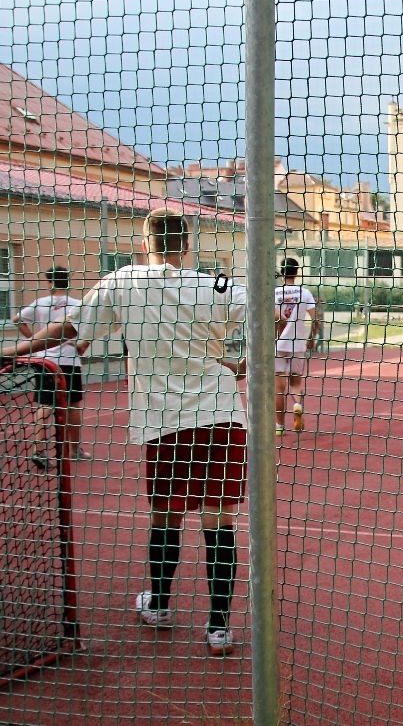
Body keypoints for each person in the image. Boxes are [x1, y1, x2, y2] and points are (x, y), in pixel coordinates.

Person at [0, 208, 248, 656]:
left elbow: (70, 329)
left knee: (166, 517)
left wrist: (13, 350)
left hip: (163, 421)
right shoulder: (216, 284)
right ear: (187, 245)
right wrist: (242, 362)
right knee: (219, 521)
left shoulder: (123, 280)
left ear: (144, 243)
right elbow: (269, 315)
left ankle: (158, 603)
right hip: (222, 414)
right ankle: (218, 629)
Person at [15, 266, 91, 463]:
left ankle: (39, 450)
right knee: (72, 405)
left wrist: (35, 342)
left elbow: (17, 319)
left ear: (49, 282)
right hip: (69, 361)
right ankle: (74, 450)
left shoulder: (40, 303)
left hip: (46, 362)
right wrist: (83, 345)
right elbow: (92, 325)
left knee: (45, 404)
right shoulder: (77, 304)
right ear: (67, 281)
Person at [274, 257, 319, 436]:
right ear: (297, 272)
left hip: (278, 343)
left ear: (282, 272)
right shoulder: (305, 293)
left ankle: (279, 427)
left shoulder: (274, 293)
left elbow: (274, 317)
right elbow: (315, 319)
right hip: (298, 343)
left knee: (278, 386)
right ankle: (297, 405)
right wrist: (311, 338)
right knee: (295, 382)